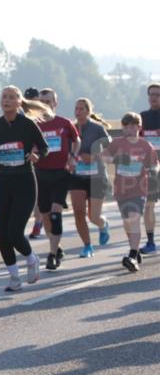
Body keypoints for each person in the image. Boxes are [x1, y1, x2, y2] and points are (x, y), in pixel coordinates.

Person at [0, 86, 50, 292]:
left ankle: (31, 259)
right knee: (2, 234)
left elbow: (44, 148)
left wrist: (37, 155)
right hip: (3, 182)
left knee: (14, 232)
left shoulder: (28, 124)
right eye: (4, 97)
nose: (7, 101)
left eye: (12, 98)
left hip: (25, 182)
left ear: (19, 102)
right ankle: (14, 277)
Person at [101, 112, 159, 271]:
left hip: (139, 189)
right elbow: (104, 156)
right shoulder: (117, 144)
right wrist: (111, 159)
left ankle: (132, 254)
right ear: (123, 127)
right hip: (121, 190)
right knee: (128, 222)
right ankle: (134, 249)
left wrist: (153, 170)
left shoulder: (145, 145)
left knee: (133, 219)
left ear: (139, 127)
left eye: (133, 125)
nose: (130, 128)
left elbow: (154, 164)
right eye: (126, 125)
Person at [34, 88, 81, 270]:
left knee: (55, 213)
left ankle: (52, 255)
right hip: (41, 173)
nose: (46, 104)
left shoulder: (64, 123)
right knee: (45, 215)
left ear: (55, 103)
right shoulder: (34, 124)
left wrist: (73, 157)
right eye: (42, 101)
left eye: (49, 101)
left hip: (61, 174)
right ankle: (56, 246)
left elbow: (77, 141)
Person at [69, 98, 112, 257]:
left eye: (81, 109)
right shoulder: (70, 128)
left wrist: (95, 156)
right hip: (77, 176)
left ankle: (103, 224)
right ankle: (87, 246)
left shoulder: (98, 129)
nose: (78, 112)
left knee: (93, 216)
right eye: (76, 109)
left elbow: (111, 151)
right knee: (78, 212)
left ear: (88, 111)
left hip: (97, 177)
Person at [140, 83, 160, 253]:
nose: (154, 97)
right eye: (151, 94)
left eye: (157, 95)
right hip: (151, 168)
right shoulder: (142, 118)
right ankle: (151, 241)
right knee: (149, 205)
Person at [23, 87, 45, 239]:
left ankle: (38, 224)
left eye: (34, 100)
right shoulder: (20, 118)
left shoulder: (44, 117)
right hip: (26, 162)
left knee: (41, 196)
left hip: (44, 161)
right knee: (32, 197)